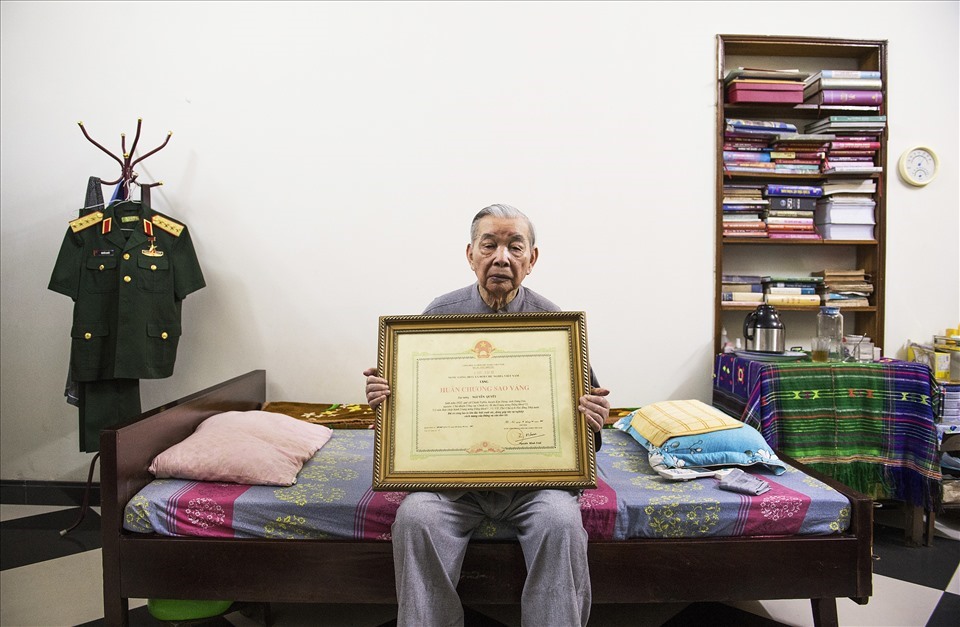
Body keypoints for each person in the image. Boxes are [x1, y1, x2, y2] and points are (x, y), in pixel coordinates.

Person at [363, 203, 610, 627]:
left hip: (532, 484)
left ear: (531, 260)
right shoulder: (439, 315)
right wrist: (387, 397)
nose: (502, 257)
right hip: (455, 484)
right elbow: (417, 411)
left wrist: (593, 417)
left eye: (515, 246)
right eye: (489, 244)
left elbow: (585, 432)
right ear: (470, 254)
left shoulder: (556, 325)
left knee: (562, 521)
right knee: (415, 517)